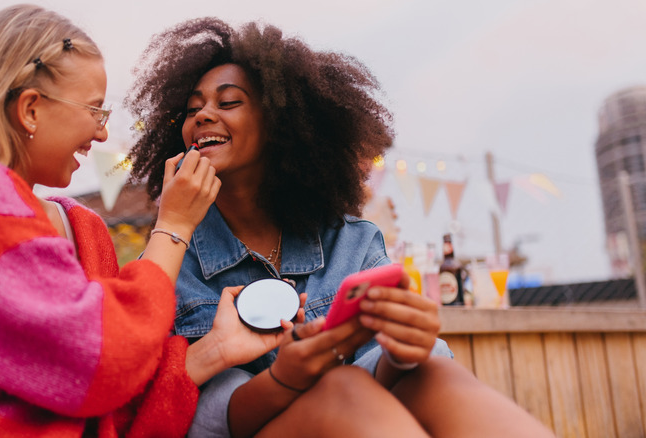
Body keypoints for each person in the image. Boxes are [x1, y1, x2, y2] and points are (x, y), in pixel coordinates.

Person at [127, 17, 555, 438]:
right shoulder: (170, 263)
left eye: (228, 102)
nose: (203, 115)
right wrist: (285, 380)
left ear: (279, 123)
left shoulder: (353, 242)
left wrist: (405, 347)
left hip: (362, 415)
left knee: (432, 374)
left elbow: (387, 367)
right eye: (192, 109)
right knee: (342, 387)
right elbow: (203, 418)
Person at [0, 6, 288, 437]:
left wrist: (215, 349)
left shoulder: (84, 229)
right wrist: (174, 226)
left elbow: (110, 406)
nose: (103, 134)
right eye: (95, 110)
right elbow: (103, 361)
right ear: (31, 109)